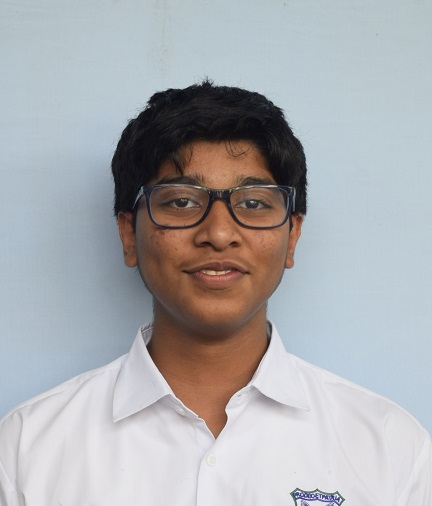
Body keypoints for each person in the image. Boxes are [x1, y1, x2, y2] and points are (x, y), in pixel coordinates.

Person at [0, 81, 430, 506]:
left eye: (254, 203)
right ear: (129, 234)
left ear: (292, 235)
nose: (220, 234)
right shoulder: (27, 449)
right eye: (181, 202)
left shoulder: (391, 448)